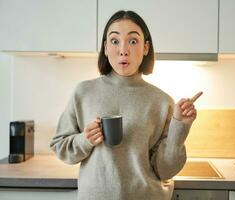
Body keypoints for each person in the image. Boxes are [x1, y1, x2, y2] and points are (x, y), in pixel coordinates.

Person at [50, 10, 202, 200]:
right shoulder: (83, 92)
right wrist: (85, 139)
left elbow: (165, 171)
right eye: (115, 41)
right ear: (105, 48)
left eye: (133, 41)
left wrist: (180, 126)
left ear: (146, 47)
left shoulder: (162, 101)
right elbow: (60, 146)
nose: (123, 50)